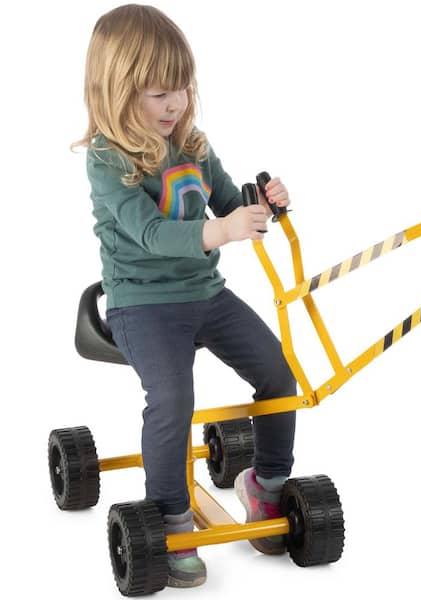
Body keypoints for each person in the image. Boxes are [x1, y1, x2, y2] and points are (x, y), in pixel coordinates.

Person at [72, 4, 296, 588]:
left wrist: (263, 203)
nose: (173, 105)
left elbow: (229, 203)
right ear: (117, 93)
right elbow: (150, 234)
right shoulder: (107, 159)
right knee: (172, 400)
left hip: (206, 295)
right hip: (141, 304)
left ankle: (267, 485)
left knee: (280, 375)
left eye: (181, 89)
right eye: (157, 94)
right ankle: (171, 516)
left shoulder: (192, 144)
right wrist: (222, 232)